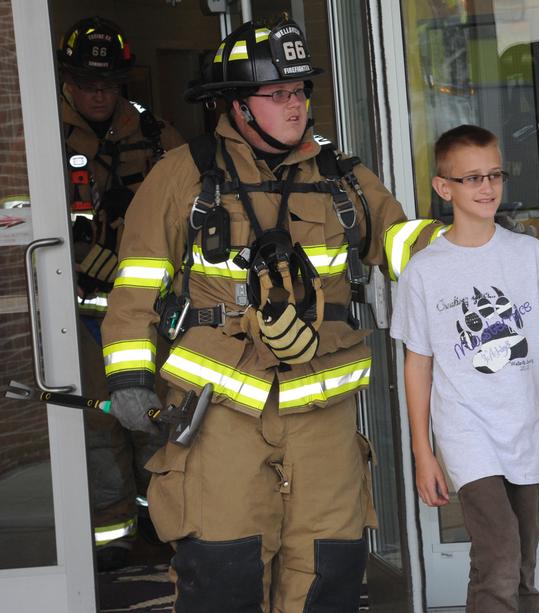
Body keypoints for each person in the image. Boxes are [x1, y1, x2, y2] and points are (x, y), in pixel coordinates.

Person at [100, 16, 444, 612]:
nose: (295, 105)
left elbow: (398, 242)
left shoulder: (343, 179)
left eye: (300, 91)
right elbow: (135, 287)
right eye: (278, 93)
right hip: (219, 419)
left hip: (322, 416)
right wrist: (128, 378)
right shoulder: (182, 177)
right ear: (237, 105)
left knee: (327, 575)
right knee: (223, 574)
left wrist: (463, 243)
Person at [390, 124, 539, 612]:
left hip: (527, 424)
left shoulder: (528, 255)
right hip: (466, 431)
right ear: (443, 187)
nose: (487, 187)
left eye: (494, 174)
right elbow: (417, 365)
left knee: (521, 563)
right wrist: (423, 452)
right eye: (472, 178)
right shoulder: (425, 272)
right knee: (499, 552)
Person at [57, 16, 184, 571]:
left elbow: (192, 212)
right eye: (87, 83)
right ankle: (112, 540)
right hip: (77, 313)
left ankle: (167, 522)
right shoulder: (41, 136)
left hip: (147, 309)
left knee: (157, 416)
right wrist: (84, 256)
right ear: (67, 79)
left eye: (108, 84)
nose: (98, 94)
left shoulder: (156, 136)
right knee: (100, 422)